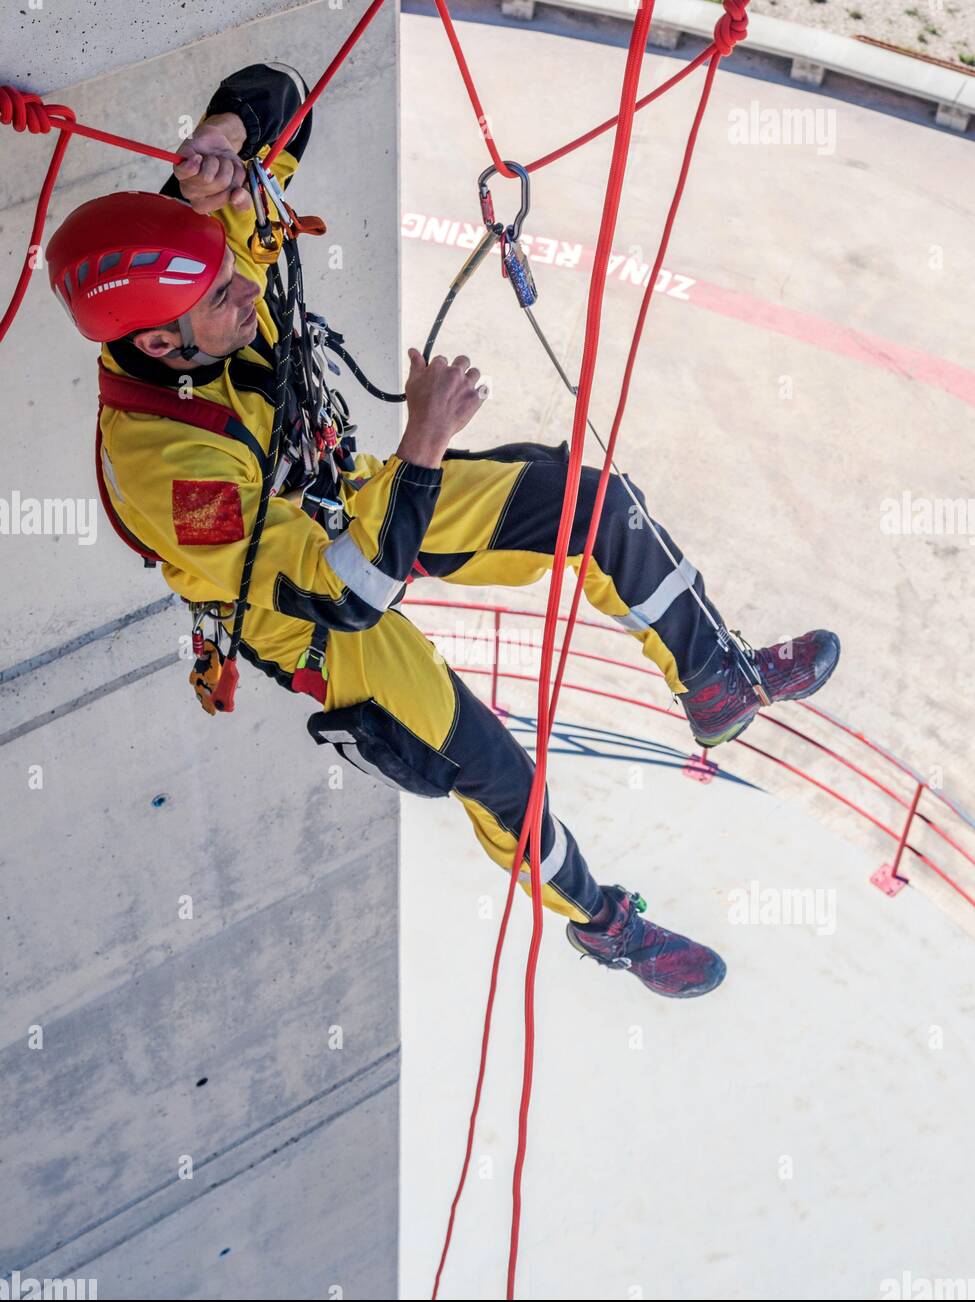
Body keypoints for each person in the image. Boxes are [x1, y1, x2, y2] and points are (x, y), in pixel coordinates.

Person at [46, 63, 840, 1001]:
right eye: (223, 298)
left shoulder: (199, 288)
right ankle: (604, 926)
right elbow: (346, 595)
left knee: (591, 506)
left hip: (354, 503)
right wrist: (423, 442)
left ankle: (714, 680)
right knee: (499, 774)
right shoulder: (167, 471)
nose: (247, 289)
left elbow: (284, 94)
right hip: (318, 619)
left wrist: (220, 147)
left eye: (233, 270)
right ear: (156, 348)